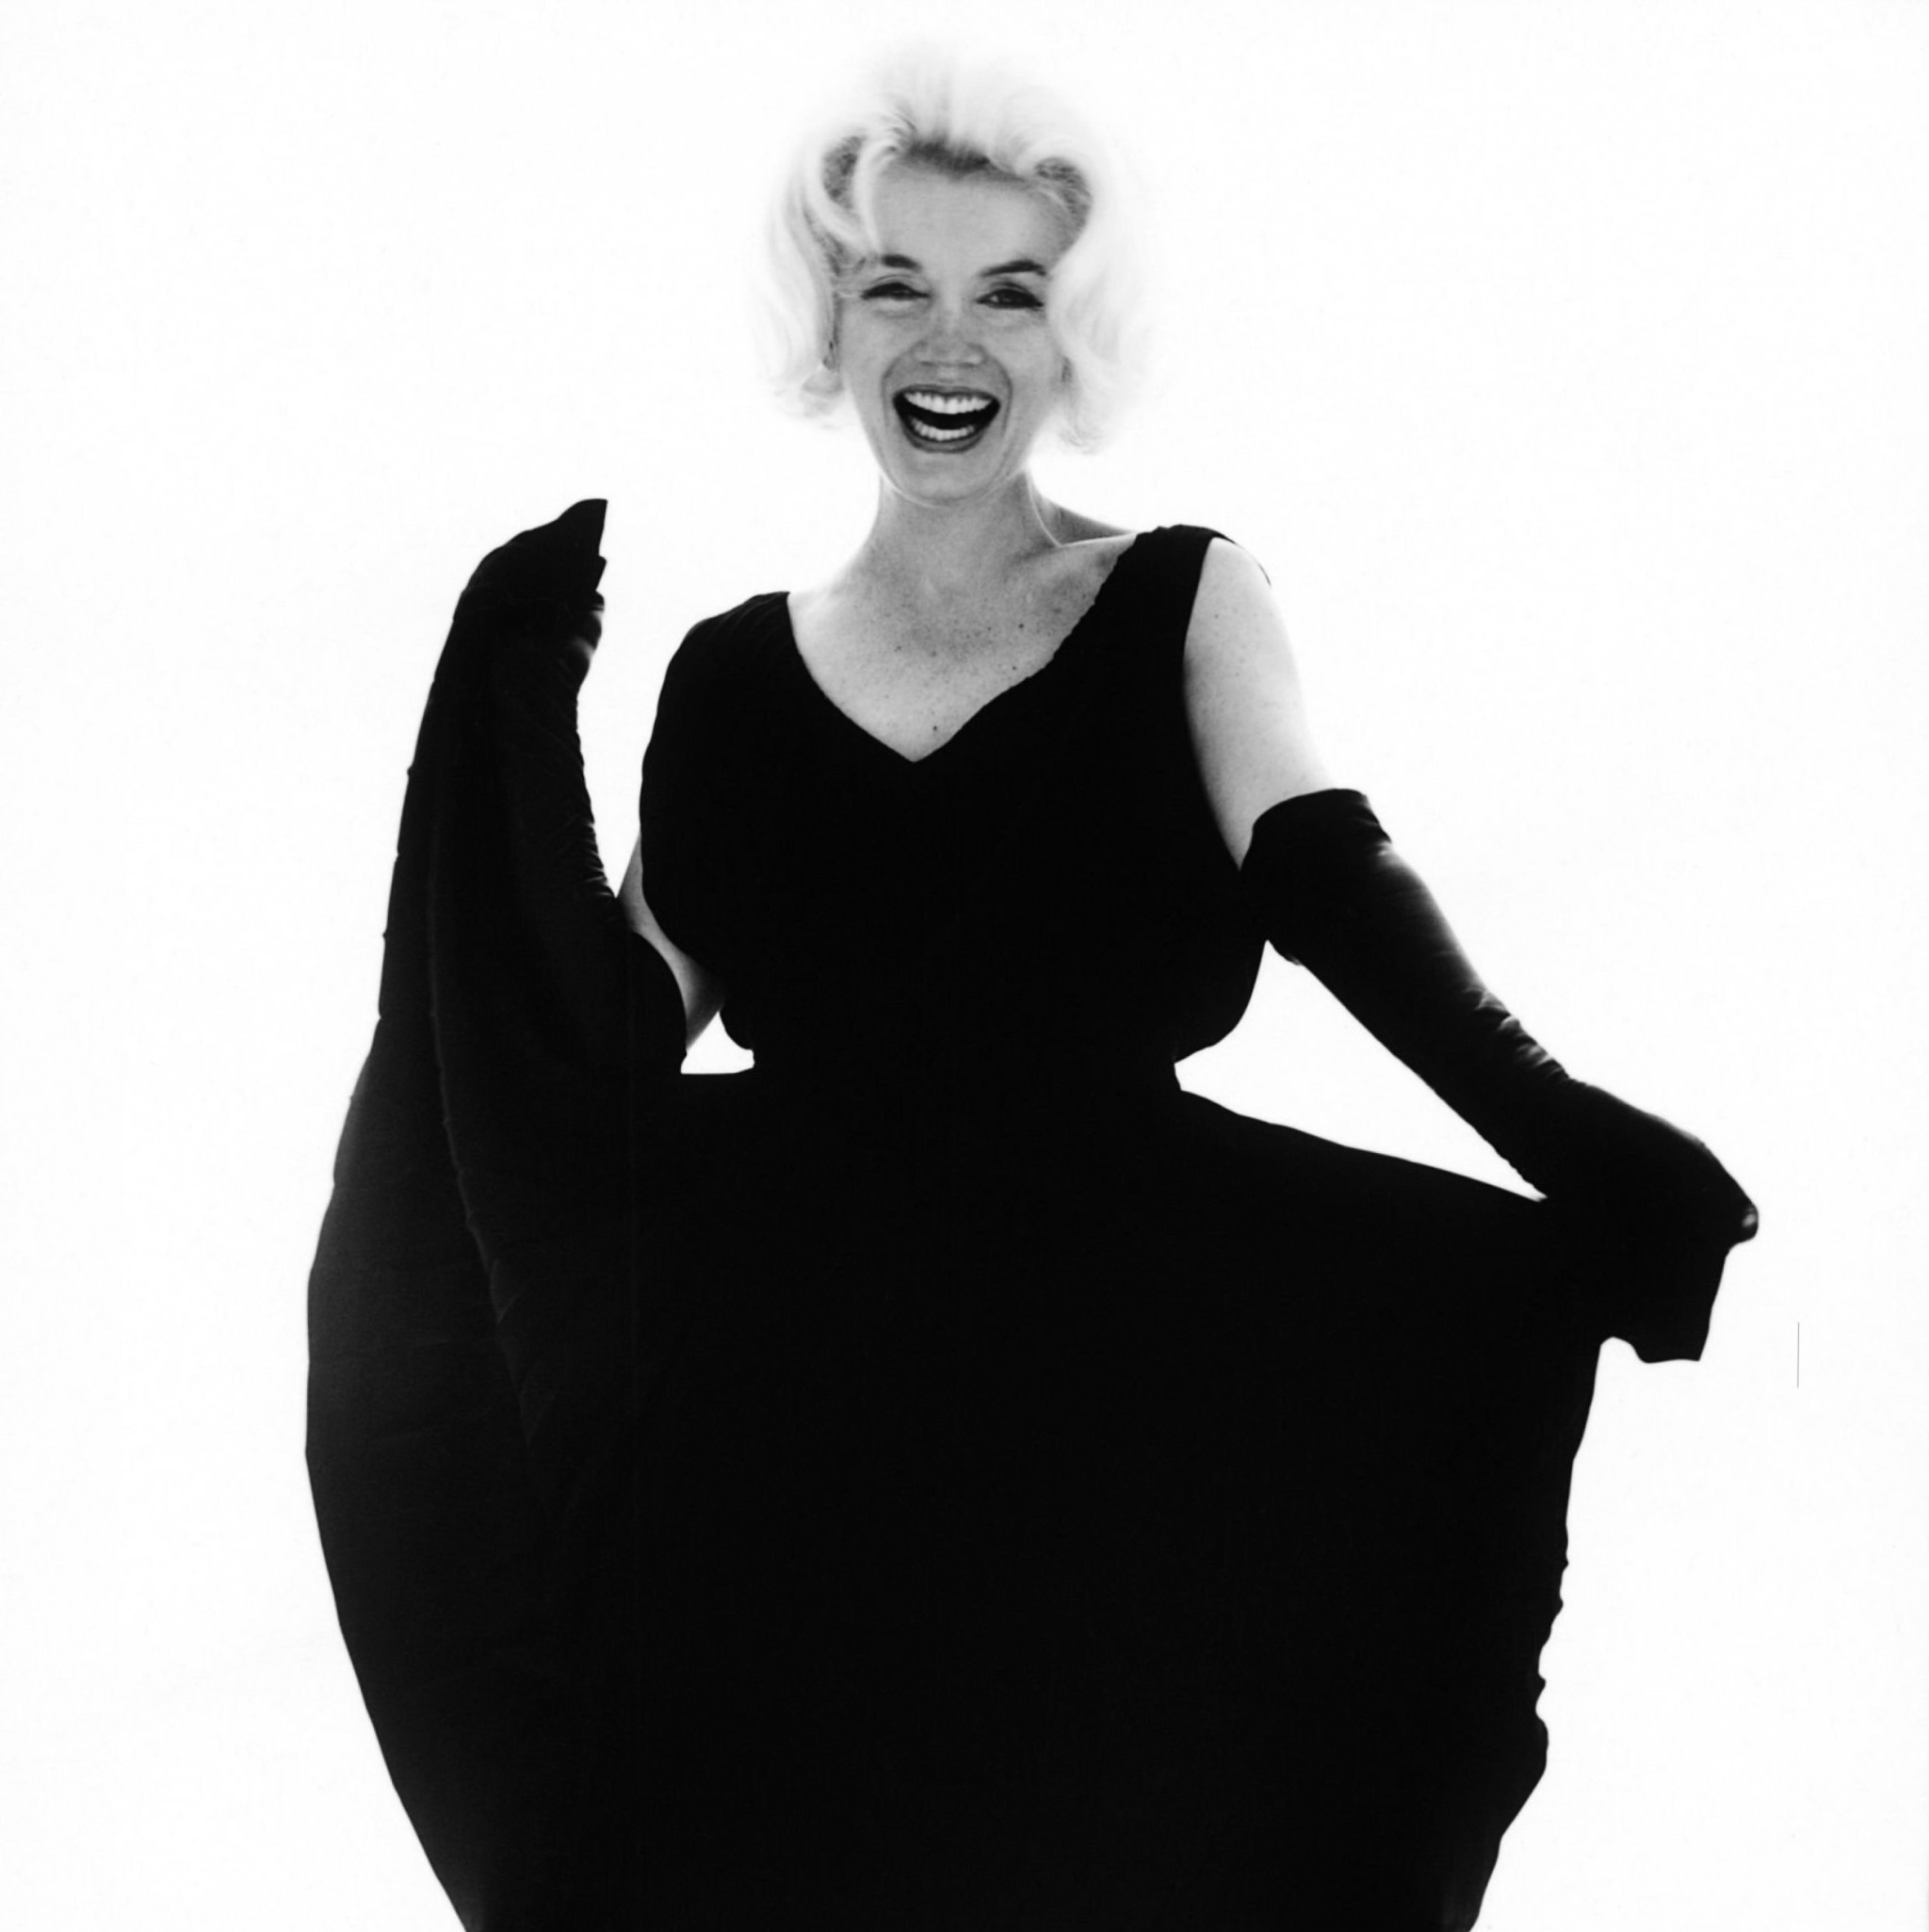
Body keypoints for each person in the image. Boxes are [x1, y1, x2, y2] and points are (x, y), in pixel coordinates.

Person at [309, 50, 1758, 1931]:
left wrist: (1566, 1130)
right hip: (777, 1440)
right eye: (894, 284)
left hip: (1117, 1392)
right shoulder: (728, 677)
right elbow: (596, 1055)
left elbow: (1326, 881)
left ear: (1077, 335)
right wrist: (505, 723)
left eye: (1009, 291)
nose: (950, 340)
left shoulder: (1181, 597)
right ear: (828, 320)